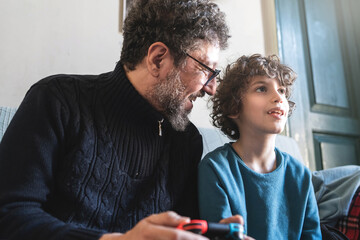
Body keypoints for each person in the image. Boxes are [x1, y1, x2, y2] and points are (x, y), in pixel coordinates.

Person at [0, 0, 232, 239]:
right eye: (206, 69)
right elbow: (10, 215)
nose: (212, 88)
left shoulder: (187, 141)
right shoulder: (56, 101)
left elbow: (180, 231)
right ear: (158, 59)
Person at [198, 54, 322, 239]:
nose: (278, 97)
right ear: (234, 107)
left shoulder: (301, 175)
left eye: (281, 90)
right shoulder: (215, 168)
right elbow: (222, 234)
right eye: (262, 88)